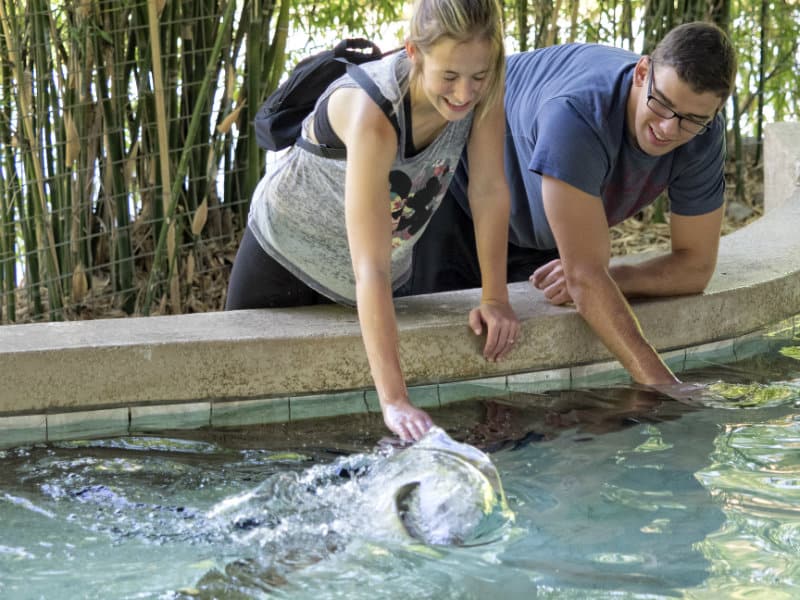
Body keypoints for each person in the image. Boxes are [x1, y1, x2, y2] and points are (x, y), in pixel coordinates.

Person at [226, 0, 519, 442]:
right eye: (450, 77)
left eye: (478, 76)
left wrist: (495, 297)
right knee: (244, 426)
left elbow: (489, 191)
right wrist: (395, 400)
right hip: (283, 257)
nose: (464, 93)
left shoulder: (485, 93)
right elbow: (370, 268)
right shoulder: (373, 112)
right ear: (415, 54)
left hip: (381, 275)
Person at [401, 21, 737, 391]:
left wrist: (617, 277)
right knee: (447, 363)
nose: (669, 129)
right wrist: (668, 388)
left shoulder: (704, 137)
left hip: (538, 220)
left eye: (692, 119)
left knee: (535, 381)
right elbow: (585, 279)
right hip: (455, 191)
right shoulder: (579, 112)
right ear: (642, 72)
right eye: (663, 105)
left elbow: (695, 267)